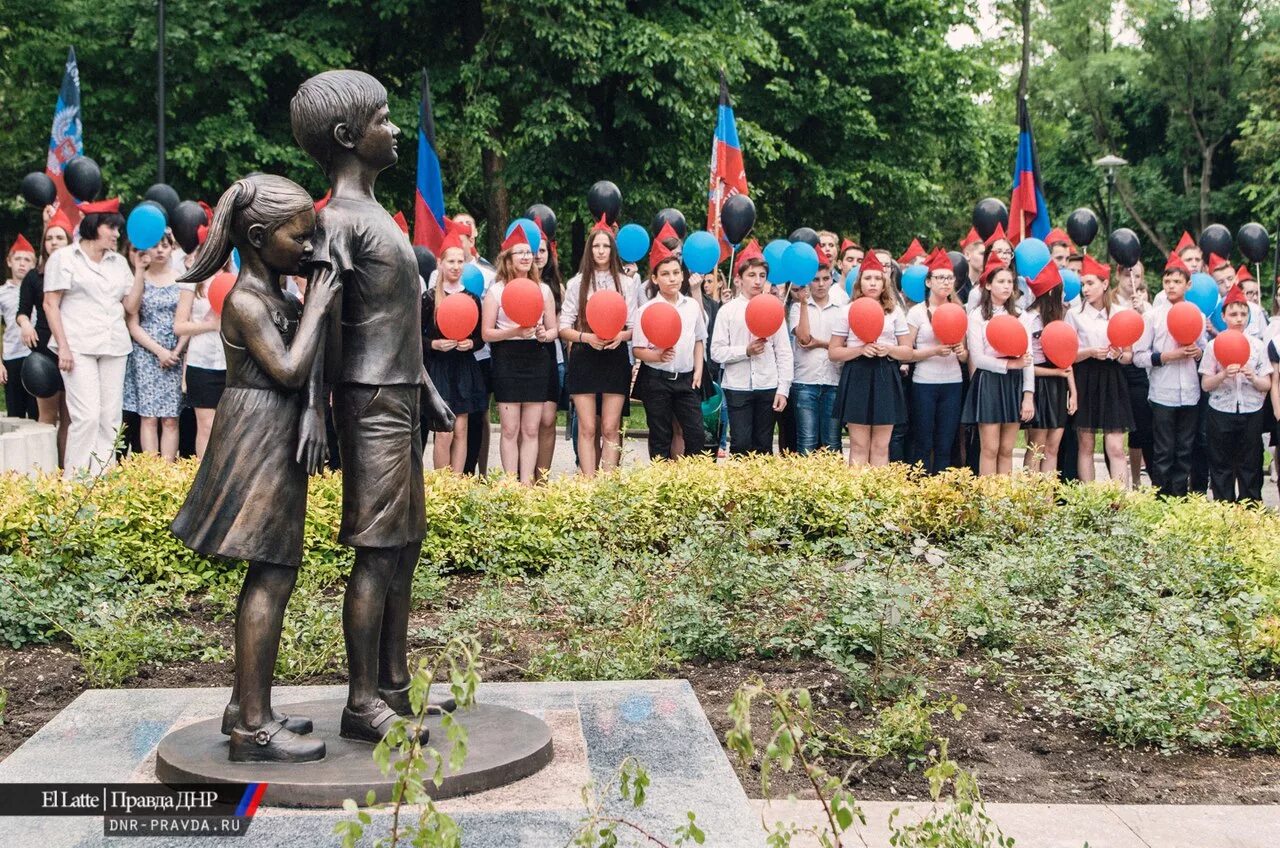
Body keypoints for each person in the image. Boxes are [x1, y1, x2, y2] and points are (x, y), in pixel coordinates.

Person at [291, 69, 456, 740]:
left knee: (405, 547)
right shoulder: (334, 222)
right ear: (347, 137)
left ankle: (393, 683)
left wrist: (428, 388)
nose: (394, 130)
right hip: (368, 401)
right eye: (383, 120)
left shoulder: (377, 216)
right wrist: (313, 409)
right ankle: (362, 703)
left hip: (400, 394)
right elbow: (323, 321)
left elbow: (394, 319)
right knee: (377, 551)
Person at [171, 173, 339, 763]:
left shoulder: (280, 296)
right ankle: (252, 726)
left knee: (277, 571)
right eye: (300, 239)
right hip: (257, 435)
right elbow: (290, 369)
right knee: (270, 572)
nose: (310, 249)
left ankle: (246, 703)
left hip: (277, 431)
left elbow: (310, 369)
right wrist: (318, 304)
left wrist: (317, 406)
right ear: (261, 236)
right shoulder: (244, 301)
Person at [44, 198, 134, 479]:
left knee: (110, 419)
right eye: (113, 228)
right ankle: (76, 483)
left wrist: (140, 270)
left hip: (114, 344)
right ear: (95, 227)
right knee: (87, 417)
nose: (117, 234)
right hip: (77, 346)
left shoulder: (119, 262)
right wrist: (64, 348)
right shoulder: (64, 258)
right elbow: (50, 304)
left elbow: (130, 306)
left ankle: (102, 482)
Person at [559, 217, 634, 477]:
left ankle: (609, 485)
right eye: (596, 246)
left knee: (611, 427)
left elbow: (635, 325)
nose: (601, 251)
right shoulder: (576, 283)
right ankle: (588, 484)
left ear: (613, 250)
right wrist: (585, 337)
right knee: (588, 427)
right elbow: (563, 326)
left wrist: (621, 336)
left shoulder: (626, 283)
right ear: (589, 250)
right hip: (585, 355)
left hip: (615, 357)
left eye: (606, 246)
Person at [482, 225, 556, 484]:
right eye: (519, 253)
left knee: (531, 429)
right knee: (510, 428)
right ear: (508, 259)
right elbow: (487, 333)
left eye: (528, 252)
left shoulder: (543, 290)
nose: (526, 257)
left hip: (536, 358)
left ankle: (527, 485)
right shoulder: (496, 291)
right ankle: (510, 484)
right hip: (506, 358)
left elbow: (553, 328)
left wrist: (545, 335)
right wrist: (514, 330)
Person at [828, 250, 911, 466]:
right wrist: (859, 350)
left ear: (884, 284)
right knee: (859, 445)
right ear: (859, 282)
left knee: (881, 446)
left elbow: (908, 352)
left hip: (886, 374)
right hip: (857, 375)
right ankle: (857, 497)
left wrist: (889, 350)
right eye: (867, 278)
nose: (873, 283)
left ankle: (879, 497)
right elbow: (834, 352)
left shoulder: (894, 312)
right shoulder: (848, 311)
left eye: (877, 279)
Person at [710, 240, 792, 456]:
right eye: (751, 275)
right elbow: (716, 352)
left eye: (762, 276)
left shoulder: (773, 309)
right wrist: (744, 351)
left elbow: (784, 352)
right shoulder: (728, 311)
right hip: (737, 387)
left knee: (764, 444)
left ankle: (762, 488)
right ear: (738, 279)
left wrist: (783, 389)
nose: (757, 281)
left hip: (767, 384)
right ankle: (740, 487)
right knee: (741, 443)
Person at [1133, 253, 1205, 497]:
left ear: (1188, 284)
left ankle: (1180, 499)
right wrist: (1166, 357)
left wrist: (1197, 353)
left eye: (1177, 282)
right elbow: (1138, 355)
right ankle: (1161, 499)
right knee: (1163, 450)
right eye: (1167, 282)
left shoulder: (1198, 315)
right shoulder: (1152, 316)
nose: (1172, 286)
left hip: (1190, 393)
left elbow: (1206, 352)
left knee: (1185, 449)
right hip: (1163, 393)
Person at [960, 254, 1034, 476]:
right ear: (988, 285)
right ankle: (988, 503)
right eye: (1000, 281)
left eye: (1010, 282)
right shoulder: (977, 316)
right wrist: (1011, 364)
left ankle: (1004, 503)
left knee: (1007, 449)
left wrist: (1028, 394)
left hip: (1013, 384)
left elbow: (1027, 358)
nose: (1006, 286)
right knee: (990, 448)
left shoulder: (1022, 317)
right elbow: (978, 357)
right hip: (989, 382)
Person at [632, 240, 706, 459]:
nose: (672, 278)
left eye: (676, 272)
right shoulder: (647, 310)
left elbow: (699, 339)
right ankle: (661, 486)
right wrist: (657, 355)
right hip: (656, 379)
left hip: (686, 379)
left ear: (682, 276)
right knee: (660, 435)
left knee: (696, 434)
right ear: (655, 279)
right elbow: (637, 349)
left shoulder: (692, 306)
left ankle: (691, 484)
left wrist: (699, 369)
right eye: (665, 274)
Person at [1200, 285, 1272, 502]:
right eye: (1233, 314)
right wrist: (1222, 375)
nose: (1239, 318)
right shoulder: (1213, 346)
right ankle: (1225, 512)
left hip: (1251, 410)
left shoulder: (1258, 346)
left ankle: (1250, 514)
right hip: (1221, 411)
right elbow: (1205, 384)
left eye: (1243, 314)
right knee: (1221, 466)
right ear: (1223, 316)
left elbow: (1266, 383)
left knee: (1251, 464)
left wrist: (1252, 376)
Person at [1067, 256, 1134, 485]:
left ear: (1105, 284)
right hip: (1085, 376)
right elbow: (1067, 355)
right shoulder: (1074, 314)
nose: (1085, 289)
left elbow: (1128, 355)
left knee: (1115, 445)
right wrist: (1089, 352)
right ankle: (1089, 500)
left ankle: (1120, 502)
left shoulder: (1120, 312)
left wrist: (1119, 355)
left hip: (1112, 377)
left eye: (1090, 283)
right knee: (1085, 444)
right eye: (1083, 284)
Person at [423, 231, 486, 473]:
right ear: (440, 263)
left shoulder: (471, 298)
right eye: (451, 261)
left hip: (463, 370)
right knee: (443, 432)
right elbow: (416, 337)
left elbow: (480, 337)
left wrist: (471, 344)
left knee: (461, 430)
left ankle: (457, 483)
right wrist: (435, 344)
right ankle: (443, 485)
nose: (456, 266)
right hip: (439, 369)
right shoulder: (429, 299)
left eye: (460, 261)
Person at [123, 236, 187, 460]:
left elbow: (188, 319)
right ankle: (151, 472)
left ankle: (167, 472)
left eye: (165, 245)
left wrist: (175, 351)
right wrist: (158, 351)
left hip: (174, 353)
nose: (160, 250)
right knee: (148, 417)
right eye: (155, 245)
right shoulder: (138, 280)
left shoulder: (182, 280)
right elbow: (132, 322)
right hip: (146, 353)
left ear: (172, 248)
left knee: (170, 418)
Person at [904, 251, 967, 473]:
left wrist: (961, 352)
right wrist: (933, 351)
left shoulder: (959, 311)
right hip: (924, 383)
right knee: (923, 440)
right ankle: (919, 488)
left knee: (945, 443)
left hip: (953, 382)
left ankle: (941, 493)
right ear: (929, 282)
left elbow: (965, 356)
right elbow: (906, 353)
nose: (945, 282)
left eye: (949, 278)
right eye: (940, 278)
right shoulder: (917, 313)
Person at [17, 211, 73, 460]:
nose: (54, 242)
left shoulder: (76, 272)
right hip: (43, 349)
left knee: (71, 418)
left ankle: (67, 470)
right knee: (48, 415)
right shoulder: (33, 276)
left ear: (69, 241)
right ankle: (45, 474)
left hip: (73, 346)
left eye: (59, 237)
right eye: (50, 238)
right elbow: (21, 312)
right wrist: (25, 324)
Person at [174, 244, 228, 460]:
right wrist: (210, 325)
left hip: (230, 361)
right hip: (201, 362)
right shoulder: (192, 281)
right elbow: (179, 326)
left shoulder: (235, 279)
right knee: (206, 426)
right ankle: (205, 481)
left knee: (226, 427)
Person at [1022, 263, 1077, 476]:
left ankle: (1047, 501)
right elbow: (1026, 364)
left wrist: (1073, 390)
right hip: (1039, 383)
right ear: (1052, 292)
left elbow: (1067, 356)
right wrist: (1055, 373)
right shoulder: (1028, 319)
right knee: (1038, 446)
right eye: (1061, 290)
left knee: (1053, 445)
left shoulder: (1060, 318)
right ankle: (1030, 500)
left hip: (1059, 382)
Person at [789, 249, 843, 455]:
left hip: (833, 380)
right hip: (805, 381)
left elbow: (844, 347)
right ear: (808, 282)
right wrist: (803, 302)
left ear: (832, 280)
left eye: (825, 279)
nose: (820, 284)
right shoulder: (797, 308)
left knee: (832, 442)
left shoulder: (842, 308)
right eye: (815, 279)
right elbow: (803, 338)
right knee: (807, 441)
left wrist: (820, 343)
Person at [1116, 262, 1154, 485]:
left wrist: (1143, 311)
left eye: (1138, 277)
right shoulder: (1110, 302)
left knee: (1142, 426)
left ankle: (1145, 479)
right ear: (1119, 274)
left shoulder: (1146, 306)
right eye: (1129, 275)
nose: (1133, 281)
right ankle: (1122, 482)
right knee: (1116, 430)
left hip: (1138, 368)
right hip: (1115, 366)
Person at [533, 227, 564, 481]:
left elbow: (562, 326)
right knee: (527, 423)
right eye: (533, 251)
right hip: (522, 358)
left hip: (552, 357)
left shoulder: (557, 288)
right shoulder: (514, 285)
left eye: (542, 250)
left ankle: (542, 479)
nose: (537, 255)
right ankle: (525, 479)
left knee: (547, 420)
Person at [1, 235, 37, 420]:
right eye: (18, 259)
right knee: (15, 414)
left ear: (34, 263)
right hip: (12, 356)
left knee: (37, 412)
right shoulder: (2, 293)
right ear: (9, 261)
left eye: (27, 259)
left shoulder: (39, 288)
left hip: (35, 355)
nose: (22, 264)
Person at [1208, 255, 1267, 340]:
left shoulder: (1255, 310)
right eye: (1220, 282)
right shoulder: (1211, 315)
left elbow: (1264, 341)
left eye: (1230, 279)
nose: (1227, 285)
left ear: (1236, 279)